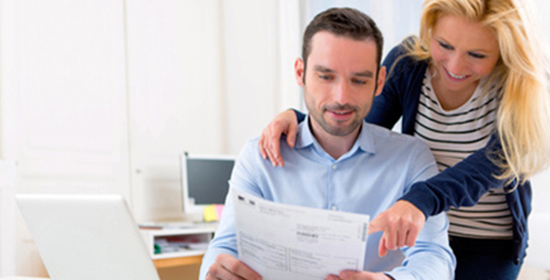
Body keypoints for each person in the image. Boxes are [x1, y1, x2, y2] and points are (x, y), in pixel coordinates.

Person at [259, 0, 550, 279]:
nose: (455, 65)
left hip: (485, 242)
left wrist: (421, 200)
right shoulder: (408, 64)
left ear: (503, 51)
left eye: (477, 55)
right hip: (416, 231)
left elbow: (489, 167)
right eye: (444, 45)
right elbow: (361, 124)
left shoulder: (521, 87)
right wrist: (301, 119)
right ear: (430, 31)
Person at [200, 7, 455, 280]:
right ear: (300, 73)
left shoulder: (411, 159)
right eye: (325, 76)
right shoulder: (259, 157)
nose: (341, 97)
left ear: (379, 82)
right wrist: (217, 273)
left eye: (359, 80)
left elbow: (435, 256)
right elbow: (225, 246)